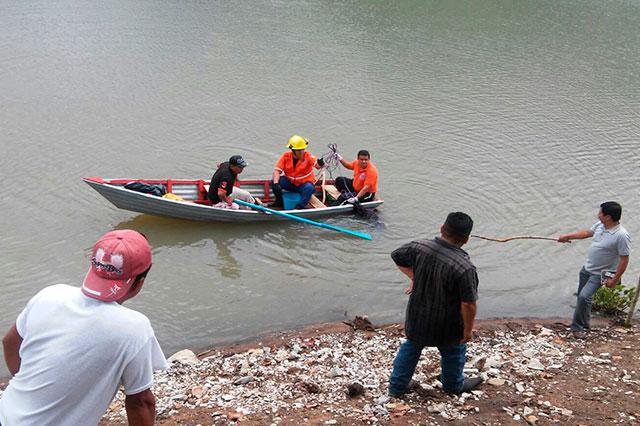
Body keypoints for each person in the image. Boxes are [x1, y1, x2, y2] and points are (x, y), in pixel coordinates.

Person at [0, 230, 167, 426]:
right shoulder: (134, 328)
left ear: (93, 267)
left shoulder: (49, 295)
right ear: (139, 284)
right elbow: (141, 402)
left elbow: (9, 342)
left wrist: (36, 390)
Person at [388, 212, 483, 396]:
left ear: (442, 228)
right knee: (454, 352)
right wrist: (467, 330)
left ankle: (396, 387)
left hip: (417, 317)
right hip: (448, 325)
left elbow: (397, 256)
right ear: (466, 239)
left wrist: (413, 277)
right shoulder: (464, 267)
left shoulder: (419, 247)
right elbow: (468, 304)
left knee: (411, 347)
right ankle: (453, 386)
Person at [557, 201, 631, 338]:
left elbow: (624, 259)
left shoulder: (621, 235)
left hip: (601, 273)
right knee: (582, 297)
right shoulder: (600, 225)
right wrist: (567, 236)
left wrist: (614, 279)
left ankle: (577, 328)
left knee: (585, 297)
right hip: (587, 268)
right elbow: (587, 233)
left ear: (608, 216)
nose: (598, 215)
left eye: (600, 213)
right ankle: (585, 323)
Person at [271, 135, 324, 209]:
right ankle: (279, 202)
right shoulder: (286, 156)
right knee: (274, 181)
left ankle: (299, 207)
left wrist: (321, 163)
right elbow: (277, 171)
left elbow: (317, 166)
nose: (301, 151)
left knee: (309, 188)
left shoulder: (308, 156)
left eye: (303, 149)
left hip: (303, 185)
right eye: (299, 150)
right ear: (292, 150)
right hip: (290, 183)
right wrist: (276, 183)